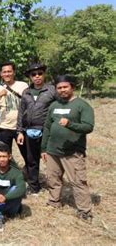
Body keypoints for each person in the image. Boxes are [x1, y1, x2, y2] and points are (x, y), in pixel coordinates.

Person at [41, 75, 94, 222]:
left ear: (72, 87)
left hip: (72, 152)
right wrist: (43, 148)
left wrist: (70, 124)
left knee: (78, 181)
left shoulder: (82, 105)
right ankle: (54, 201)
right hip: (52, 150)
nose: (62, 90)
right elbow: (47, 127)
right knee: (53, 178)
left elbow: (88, 127)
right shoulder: (54, 105)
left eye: (65, 87)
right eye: (59, 88)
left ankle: (84, 211)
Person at [16, 63, 57, 195]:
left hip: (46, 131)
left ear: (44, 74)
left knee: (51, 160)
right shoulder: (26, 92)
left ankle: (54, 188)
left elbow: (58, 109)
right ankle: (34, 187)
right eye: (34, 74)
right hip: (29, 130)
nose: (37, 76)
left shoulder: (52, 90)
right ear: (30, 77)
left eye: (40, 73)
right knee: (31, 160)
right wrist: (20, 131)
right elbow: (21, 112)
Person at [0, 61, 28, 153]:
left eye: (9, 71)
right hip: (4, 127)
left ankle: (27, 167)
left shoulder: (23, 86)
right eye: (4, 72)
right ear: (1, 74)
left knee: (27, 154)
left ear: (14, 72)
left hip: (21, 127)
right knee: (4, 154)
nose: (7, 74)